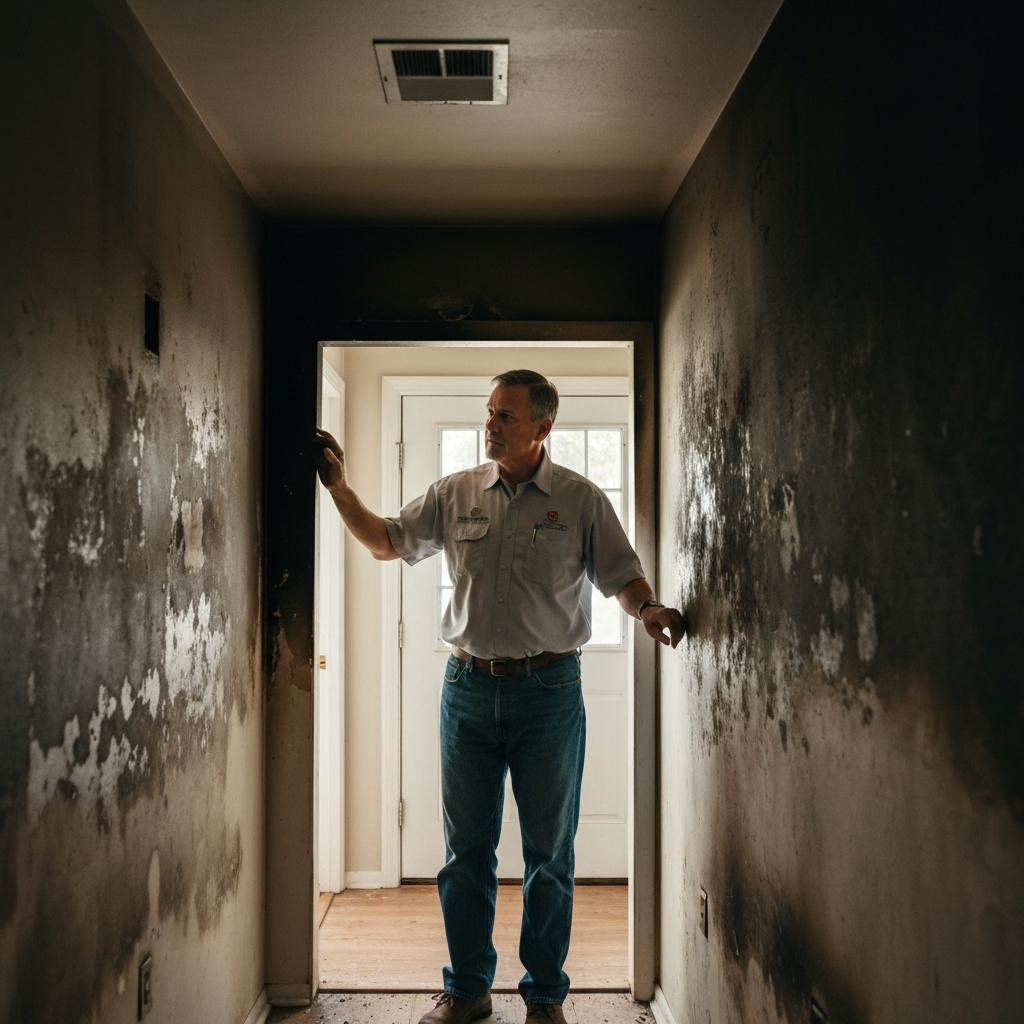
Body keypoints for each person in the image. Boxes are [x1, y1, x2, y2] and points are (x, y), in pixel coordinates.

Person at [314, 369, 686, 1024]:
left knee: (550, 854)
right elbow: (383, 541)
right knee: (465, 853)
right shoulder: (456, 494)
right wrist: (340, 489)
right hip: (467, 692)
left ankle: (545, 998)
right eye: (489, 413)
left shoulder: (579, 499)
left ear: (543, 427)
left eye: (506, 416)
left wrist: (648, 609)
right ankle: (468, 991)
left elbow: (622, 576)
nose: (491, 424)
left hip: (550, 694)